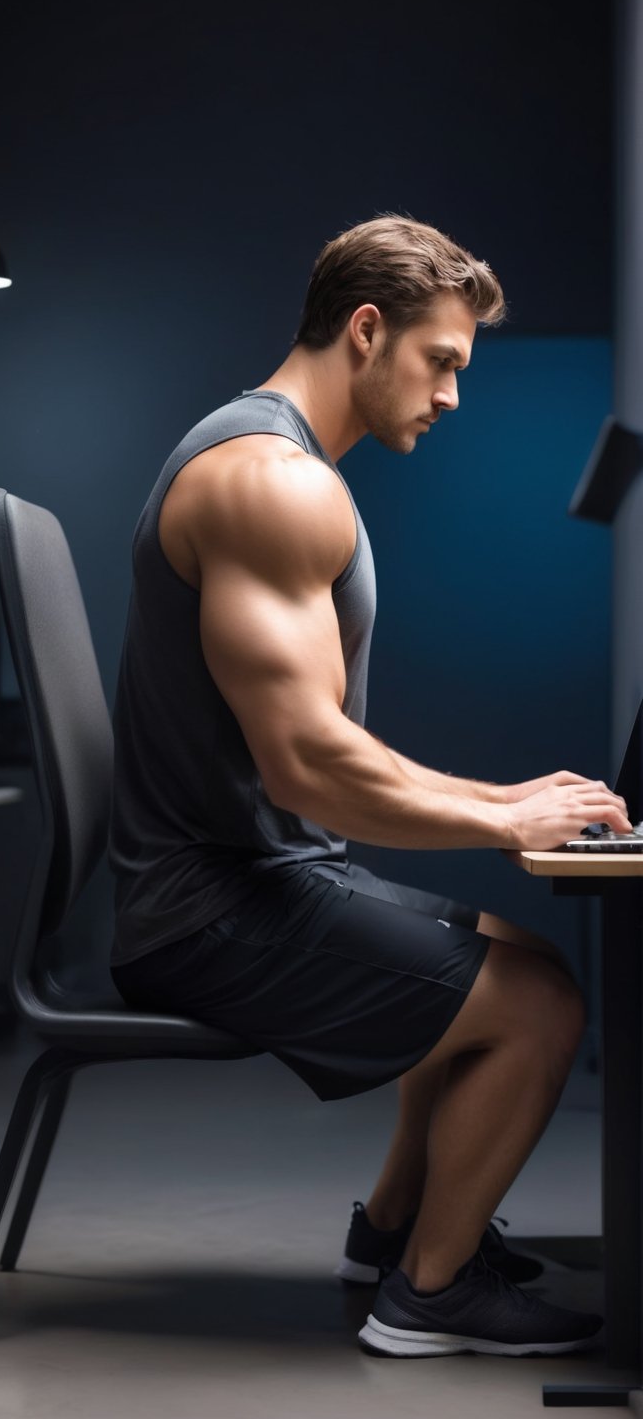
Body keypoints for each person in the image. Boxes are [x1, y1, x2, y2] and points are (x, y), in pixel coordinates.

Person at [109, 214, 628, 1358]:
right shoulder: (269, 483)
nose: (451, 394)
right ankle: (428, 1296)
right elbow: (313, 764)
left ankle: (394, 1231)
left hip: (250, 875)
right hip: (207, 908)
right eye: (441, 360)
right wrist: (505, 812)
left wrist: (507, 798)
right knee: (539, 1007)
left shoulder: (282, 465)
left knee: (521, 956)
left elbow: (322, 751)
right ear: (365, 329)